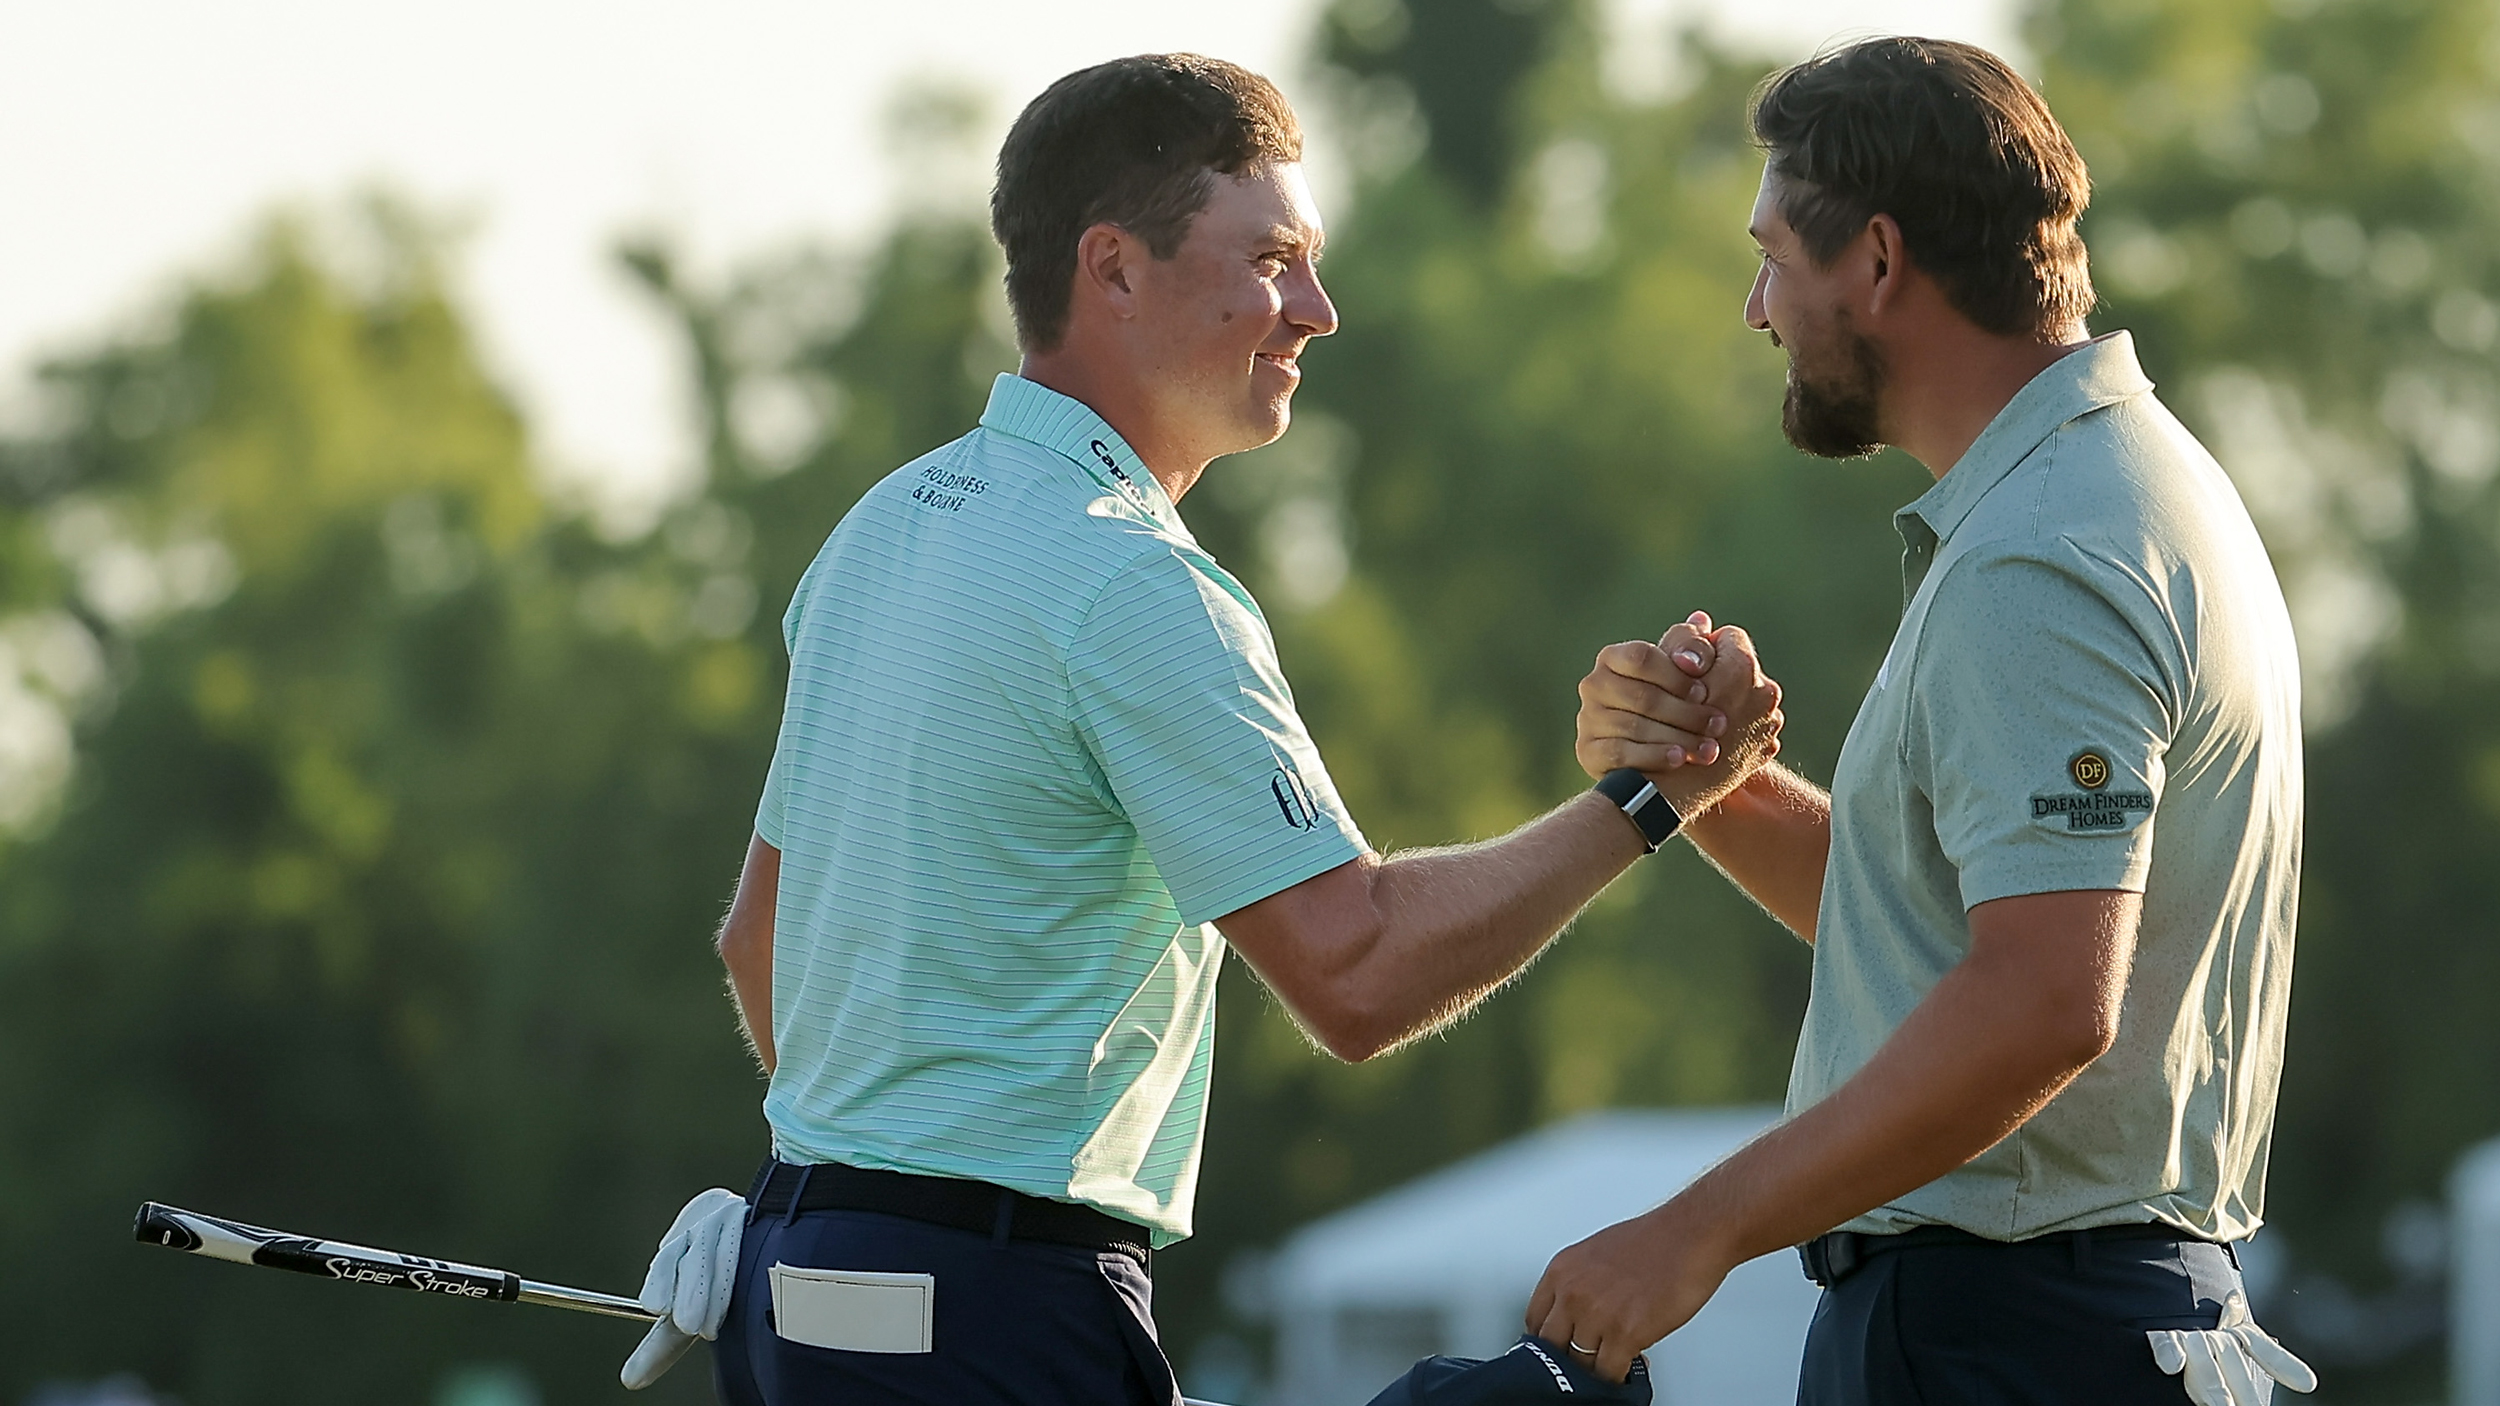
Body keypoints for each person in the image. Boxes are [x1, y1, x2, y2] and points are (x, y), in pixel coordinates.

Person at [618, 53, 1786, 1406]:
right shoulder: (1135, 582)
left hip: (794, 1280)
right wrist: (1651, 801)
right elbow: (1357, 972)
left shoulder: (880, 528)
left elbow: (760, 941)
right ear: (1111, 268)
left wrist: (831, 1205)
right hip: (999, 1306)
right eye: (1274, 260)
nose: (1317, 310)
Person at [1530, 37, 2317, 1406]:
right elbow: (1965, 935)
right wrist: (1719, 782)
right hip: (2067, 1319)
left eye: (1775, 255)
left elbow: (2039, 999)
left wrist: (1691, 1230)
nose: (1757, 306)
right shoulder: (2121, 487)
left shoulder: (2044, 554)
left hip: (2005, 1333)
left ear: (1879, 263)